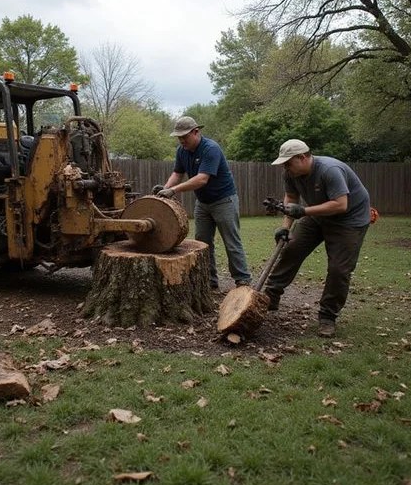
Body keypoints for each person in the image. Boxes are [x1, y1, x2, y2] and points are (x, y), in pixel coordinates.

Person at [263, 139, 370, 338]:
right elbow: (291, 199)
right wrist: (285, 227)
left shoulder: (330, 170)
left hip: (349, 220)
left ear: (302, 157)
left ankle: (327, 316)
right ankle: (271, 296)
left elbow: (341, 204)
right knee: (292, 249)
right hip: (316, 215)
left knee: (339, 269)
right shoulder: (290, 173)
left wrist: (304, 211)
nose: (285, 168)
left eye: (288, 162)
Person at [154, 116, 252, 291]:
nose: (182, 141)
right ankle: (209, 281)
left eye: (184, 137)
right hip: (203, 203)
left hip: (224, 201)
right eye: (179, 137)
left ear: (196, 132)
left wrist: (174, 191)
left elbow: (201, 179)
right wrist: (166, 188)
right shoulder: (181, 150)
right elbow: (177, 173)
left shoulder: (210, 149)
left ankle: (243, 282)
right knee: (202, 243)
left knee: (231, 242)